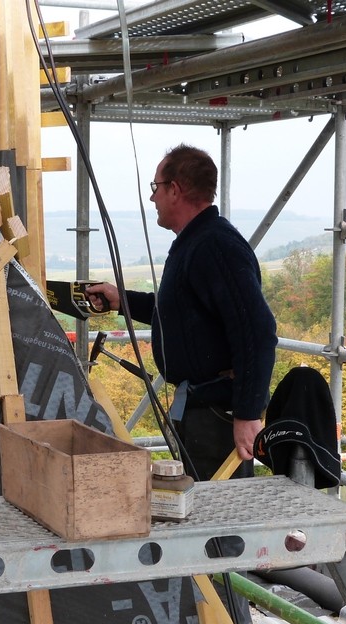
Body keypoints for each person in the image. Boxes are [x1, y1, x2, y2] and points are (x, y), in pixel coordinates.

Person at [85, 144, 278, 483]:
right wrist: (121, 300)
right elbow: (180, 314)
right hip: (202, 409)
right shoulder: (198, 242)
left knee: (218, 519)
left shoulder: (214, 245)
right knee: (200, 511)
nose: (152, 199)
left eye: (155, 188)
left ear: (175, 189)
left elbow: (257, 331)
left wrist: (247, 414)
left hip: (217, 414)